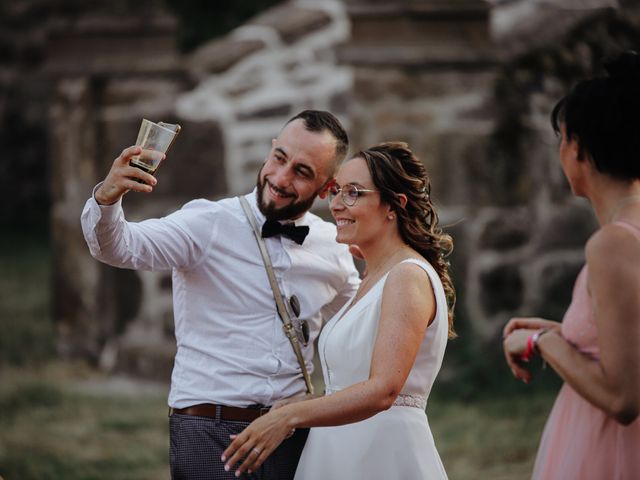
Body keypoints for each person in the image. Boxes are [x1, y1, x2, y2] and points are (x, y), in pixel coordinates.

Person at [80, 110, 361, 480]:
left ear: (327, 188)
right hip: (209, 432)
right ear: (270, 151)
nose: (280, 178)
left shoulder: (333, 248)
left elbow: (357, 332)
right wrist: (107, 195)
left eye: (302, 172)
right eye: (280, 159)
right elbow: (118, 248)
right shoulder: (207, 222)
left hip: (293, 435)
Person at [222, 141, 456, 479]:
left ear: (393, 205)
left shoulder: (407, 276)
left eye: (353, 193)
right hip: (338, 450)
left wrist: (288, 418)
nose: (335, 205)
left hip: (381, 455)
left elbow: (383, 389)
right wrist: (300, 405)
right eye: (336, 192)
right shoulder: (374, 275)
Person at [503, 51, 640, 479]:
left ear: (577, 146)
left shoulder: (614, 244)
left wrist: (542, 340)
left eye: (560, 138)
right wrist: (568, 335)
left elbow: (623, 397)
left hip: (611, 454)